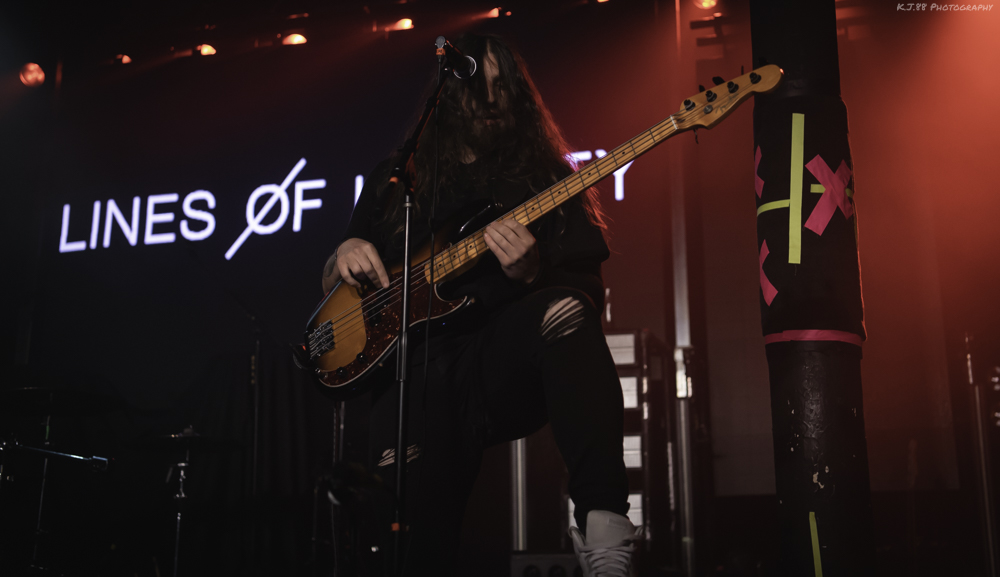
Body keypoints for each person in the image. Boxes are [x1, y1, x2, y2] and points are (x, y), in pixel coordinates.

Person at [321, 33, 638, 576]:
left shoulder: (546, 178)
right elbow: (334, 282)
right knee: (413, 552)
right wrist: (343, 251)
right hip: (416, 378)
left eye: (502, 86)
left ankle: (606, 532)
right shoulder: (398, 179)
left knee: (565, 309)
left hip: (497, 362)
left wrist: (534, 273)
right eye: (476, 86)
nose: (490, 99)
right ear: (447, 96)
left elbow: (587, 296)